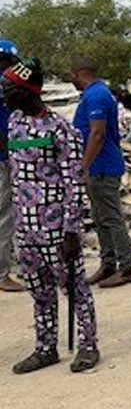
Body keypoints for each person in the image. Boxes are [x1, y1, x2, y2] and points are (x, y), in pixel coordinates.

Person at [2, 57, 99, 373]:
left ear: (28, 92)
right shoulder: (14, 122)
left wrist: (72, 230)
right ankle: (46, 348)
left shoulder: (61, 130)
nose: (3, 93)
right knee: (39, 292)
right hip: (26, 229)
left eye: (9, 88)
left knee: (75, 289)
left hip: (57, 227)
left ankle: (87, 346)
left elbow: (74, 181)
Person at [72, 58, 131, 288]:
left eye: (72, 76)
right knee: (100, 218)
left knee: (111, 218)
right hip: (97, 167)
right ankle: (108, 263)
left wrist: (83, 165)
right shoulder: (94, 94)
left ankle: (126, 267)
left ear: (79, 73)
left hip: (102, 166)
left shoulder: (96, 95)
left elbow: (97, 133)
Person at [0, 40, 23, 292]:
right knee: (5, 215)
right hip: (2, 158)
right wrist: (8, 155)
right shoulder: (2, 86)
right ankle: (2, 274)